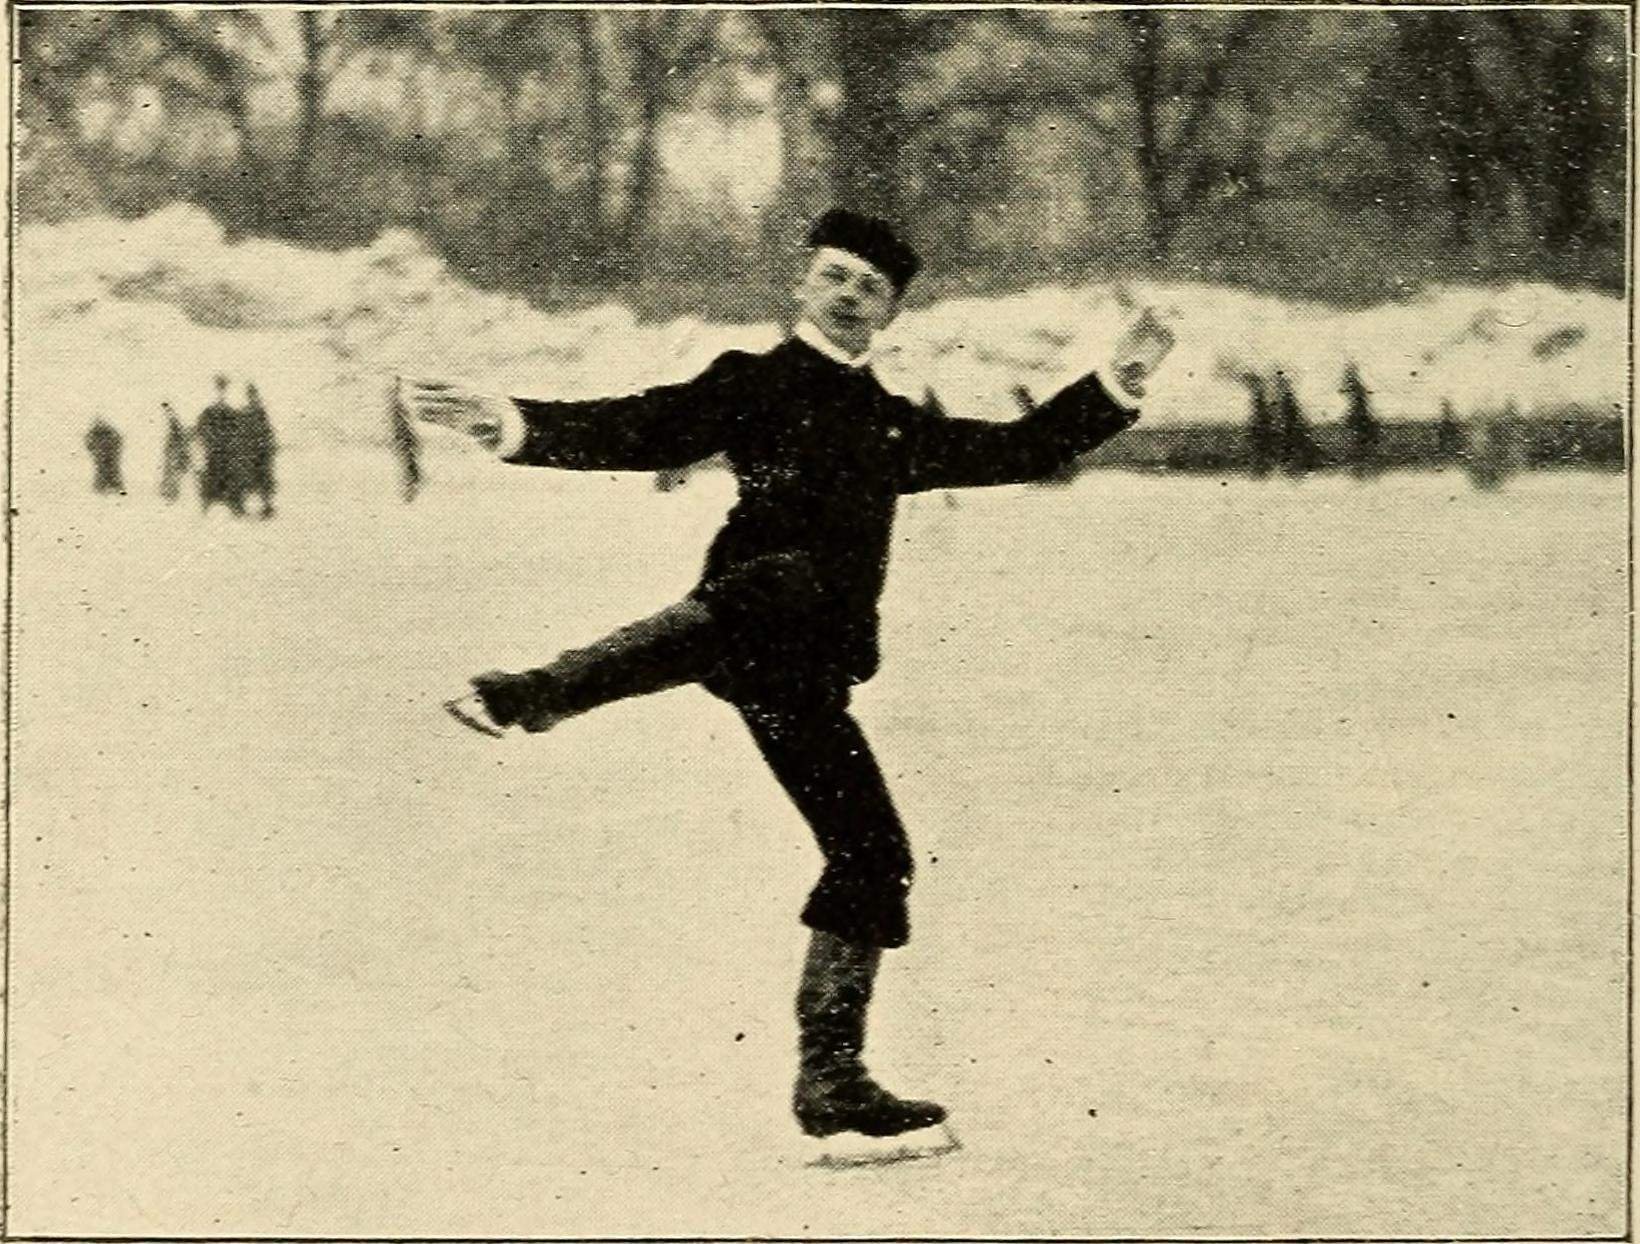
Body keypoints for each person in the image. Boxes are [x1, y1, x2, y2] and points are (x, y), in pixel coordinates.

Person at [405, 209, 1150, 1147]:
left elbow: (1018, 451)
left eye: (871, 288)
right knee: (775, 582)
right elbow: (646, 425)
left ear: (888, 315)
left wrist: (1115, 384)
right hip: (753, 612)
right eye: (836, 276)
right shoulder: (753, 384)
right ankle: (537, 691)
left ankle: (830, 1079)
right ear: (801, 286)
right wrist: (514, 423)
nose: (850, 295)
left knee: (875, 857)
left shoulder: (888, 423)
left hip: (803, 675)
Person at [195, 375, 244, 516]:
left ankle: (232, 504)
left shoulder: (230, 412)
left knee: (228, 476)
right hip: (215, 452)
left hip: (226, 453)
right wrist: (208, 442)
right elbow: (201, 429)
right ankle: (208, 504)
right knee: (212, 476)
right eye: (220, 388)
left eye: (223, 388)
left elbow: (238, 430)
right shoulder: (210, 411)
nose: (221, 391)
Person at [241, 383, 278, 519]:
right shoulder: (250, 411)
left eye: (253, 394)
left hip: (260, 451)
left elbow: (267, 431)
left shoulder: (260, 411)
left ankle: (267, 507)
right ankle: (246, 507)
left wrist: (269, 447)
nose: (252, 397)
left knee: (263, 480)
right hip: (253, 452)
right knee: (250, 479)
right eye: (250, 394)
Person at [159, 403, 192, 502]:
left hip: (175, 455)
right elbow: (174, 421)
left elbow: (174, 422)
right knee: (171, 474)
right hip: (174, 455)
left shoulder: (180, 435)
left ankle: (168, 492)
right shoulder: (180, 434)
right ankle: (168, 492)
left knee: (171, 474)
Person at [84, 418, 125, 495]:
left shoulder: (111, 437)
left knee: (109, 473)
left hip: (109, 461)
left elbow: (118, 441)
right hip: (106, 464)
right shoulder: (96, 436)